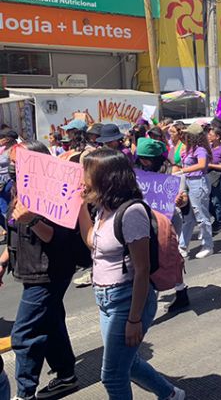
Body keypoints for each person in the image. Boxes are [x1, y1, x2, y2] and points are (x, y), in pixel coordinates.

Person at [77, 148, 185, 400]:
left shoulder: (132, 212)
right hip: (106, 300)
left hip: (127, 300)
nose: (82, 179)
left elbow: (142, 270)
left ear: (106, 178)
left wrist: (134, 319)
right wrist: (81, 206)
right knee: (129, 362)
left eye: (87, 172)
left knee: (113, 375)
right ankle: (170, 393)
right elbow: (92, 241)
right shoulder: (104, 209)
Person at [1, 142, 83, 400]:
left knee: (24, 334)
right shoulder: (18, 187)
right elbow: (15, 230)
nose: (13, 167)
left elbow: (55, 238)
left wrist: (33, 220)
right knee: (51, 321)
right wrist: (4, 258)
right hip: (28, 266)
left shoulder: (56, 191)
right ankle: (66, 375)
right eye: (11, 162)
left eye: (18, 162)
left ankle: (25, 394)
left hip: (48, 271)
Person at [135, 137, 191, 312]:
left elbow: (185, 201)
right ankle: (151, 297)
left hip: (169, 221)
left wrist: (181, 200)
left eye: (147, 159)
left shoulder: (173, 172)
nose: (143, 162)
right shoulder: (138, 173)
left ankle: (181, 293)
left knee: (170, 257)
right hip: (146, 220)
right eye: (141, 158)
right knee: (150, 258)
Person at [177, 123, 214, 259]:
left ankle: (208, 245)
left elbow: (202, 164)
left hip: (198, 182)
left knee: (201, 216)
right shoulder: (189, 149)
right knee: (188, 217)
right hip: (188, 182)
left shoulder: (200, 150)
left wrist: (183, 170)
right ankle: (182, 246)